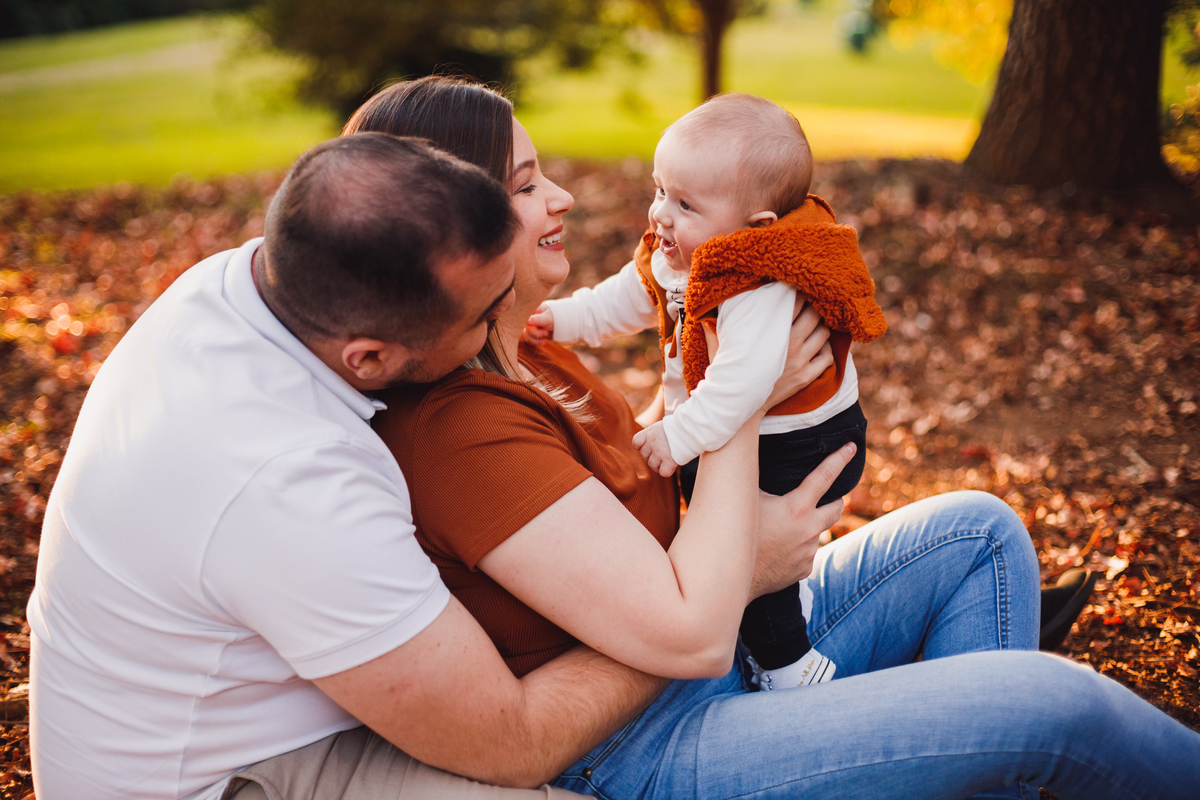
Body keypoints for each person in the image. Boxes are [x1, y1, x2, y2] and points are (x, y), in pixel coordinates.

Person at [358, 75, 1200, 800]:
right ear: (454, 230)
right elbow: (685, 629)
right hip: (650, 739)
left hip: (716, 639)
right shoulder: (459, 432)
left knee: (979, 533)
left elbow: (620, 481)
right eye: (526, 185)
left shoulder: (532, 351)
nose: (564, 199)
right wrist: (745, 399)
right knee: (1058, 708)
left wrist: (711, 411)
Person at [26, 133, 828, 800]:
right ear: (369, 357)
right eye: (484, 320)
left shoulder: (263, 280)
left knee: (959, 534)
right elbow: (513, 741)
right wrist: (733, 582)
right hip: (222, 778)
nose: (507, 338)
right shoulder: (289, 480)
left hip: (282, 705)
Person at [524, 93, 888, 690]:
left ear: (755, 228)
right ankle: (774, 619)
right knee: (722, 526)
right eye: (660, 189)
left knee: (742, 539)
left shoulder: (756, 284)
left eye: (685, 203)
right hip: (743, 424)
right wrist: (564, 320)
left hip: (798, 443)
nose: (660, 214)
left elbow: (746, 380)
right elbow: (629, 295)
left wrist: (682, 432)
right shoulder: (684, 252)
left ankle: (789, 668)